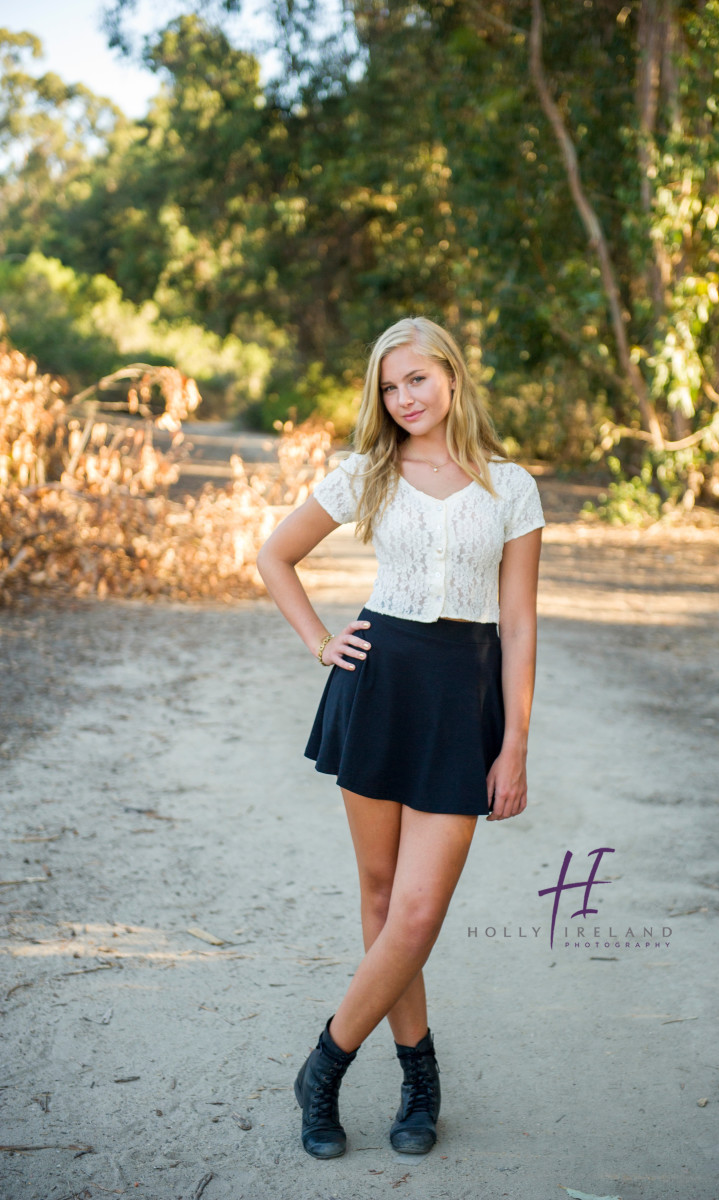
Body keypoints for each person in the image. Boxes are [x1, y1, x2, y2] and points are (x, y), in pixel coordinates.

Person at [255, 315, 544, 1160]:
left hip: (463, 697)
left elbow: (520, 626)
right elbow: (275, 557)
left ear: (452, 376)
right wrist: (320, 641)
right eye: (389, 385)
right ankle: (419, 1077)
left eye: (416, 378)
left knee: (418, 911)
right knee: (382, 898)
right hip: (379, 688)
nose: (403, 397)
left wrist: (515, 741)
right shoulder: (368, 472)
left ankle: (324, 1065)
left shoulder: (510, 484)